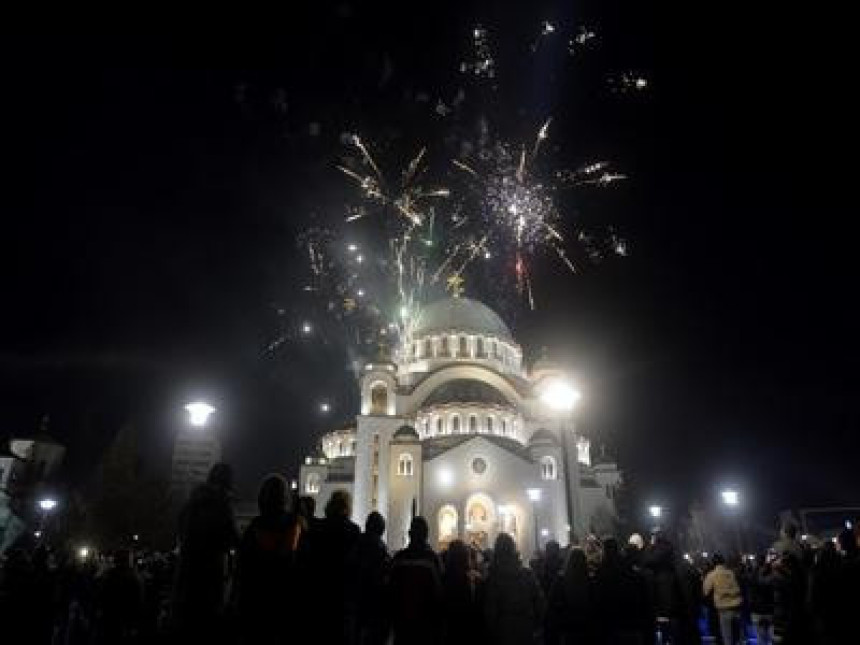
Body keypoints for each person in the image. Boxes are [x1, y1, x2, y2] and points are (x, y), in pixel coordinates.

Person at [171, 462, 239, 643]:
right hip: (210, 577)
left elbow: (179, 532)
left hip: (185, 576)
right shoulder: (222, 505)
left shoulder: (190, 504)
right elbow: (233, 539)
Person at [234, 474, 301, 644]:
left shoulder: (255, 527)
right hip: (286, 603)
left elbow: (242, 569)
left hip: (256, 603)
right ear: (285, 497)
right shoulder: (295, 526)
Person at [308, 489, 361, 645]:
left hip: (321, 594)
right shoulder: (353, 530)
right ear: (347, 507)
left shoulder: (318, 528)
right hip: (344, 596)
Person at [388, 516, 443, 645]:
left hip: (402, 621)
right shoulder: (432, 559)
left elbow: (390, 590)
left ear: (410, 534)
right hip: (425, 623)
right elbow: (439, 593)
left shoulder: (398, 558)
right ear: (426, 535)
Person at [484, 532, 545, 645]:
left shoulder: (493, 579)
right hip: (526, 628)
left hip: (504, 631)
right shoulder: (527, 574)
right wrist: (536, 626)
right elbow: (540, 603)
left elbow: (490, 611)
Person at [352, 511, 391, 645]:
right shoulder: (381, 548)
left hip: (355, 599)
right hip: (374, 601)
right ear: (381, 530)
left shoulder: (356, 542)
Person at [545, 547, 594, 644]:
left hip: (567, 624)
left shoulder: (561, 580)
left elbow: (551, 603)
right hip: (586, 623)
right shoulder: (591, 580)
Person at [94, 549, 143, 644]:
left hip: (110, 617)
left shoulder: (108, 575)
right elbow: (137, 601)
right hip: (124, 618)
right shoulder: (133, 577)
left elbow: (101, 595)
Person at [442, 539, 484, 645]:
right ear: (466, 556)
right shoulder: (475, 578)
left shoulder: (444, 579)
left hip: (451, 628)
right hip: (470, 628)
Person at [703, 554, 742, 645]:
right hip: (737, 607)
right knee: (737, 637)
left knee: (727, 638)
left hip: (724, 609)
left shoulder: (712, 575)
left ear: (713, 563)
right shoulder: (731, 573)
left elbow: (705, 591)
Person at [748, 553, 775, 645]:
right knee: (773, 638)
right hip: (770, 610)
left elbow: (750, 593)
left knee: (761, 639)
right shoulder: (772, 575)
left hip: (757, 611)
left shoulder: (752, 576)